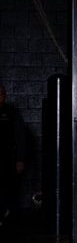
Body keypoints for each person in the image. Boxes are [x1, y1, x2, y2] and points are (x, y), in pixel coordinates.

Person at [0, 84, 26, 227]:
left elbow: (20, 137)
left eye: (2, 93)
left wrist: (20, 159)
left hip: (7, 159)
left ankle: (6, 216)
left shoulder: (12, 113)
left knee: (7, 189)